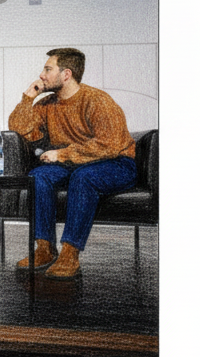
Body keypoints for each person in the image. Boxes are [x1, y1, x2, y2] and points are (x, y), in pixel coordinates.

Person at [7, 48, 136, 279]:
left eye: (48, 69)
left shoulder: (98, 100)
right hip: (76, 163)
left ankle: (70, 254)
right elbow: (20, 129)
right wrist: (28, 98)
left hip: (117, 163)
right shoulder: (47, 104)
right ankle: (45, 248)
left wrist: (63, 154)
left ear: (66, 74)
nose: (42, 75)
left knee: (83, 177)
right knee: (39, 176)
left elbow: (109, 145)